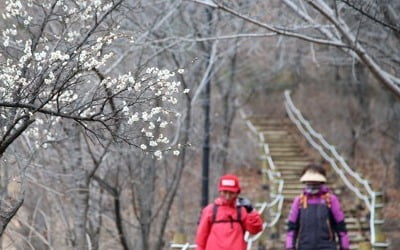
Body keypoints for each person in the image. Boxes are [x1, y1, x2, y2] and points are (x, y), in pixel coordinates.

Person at [285, 163, 350, 250]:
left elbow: (341, 227)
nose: (312, 185)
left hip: (327, 246)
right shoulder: (299, 201)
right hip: (305, 246)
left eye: (315, 183)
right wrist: (290, 247)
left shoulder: (331, 200)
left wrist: (344, 247)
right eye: (309, 183)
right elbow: (292, 228)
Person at [195, 174, 263, 250]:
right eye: (225, 192)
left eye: (231, 193)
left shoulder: (241, 211)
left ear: (237, 193)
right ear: (220, 192)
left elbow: (255, 229)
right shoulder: (210, 210)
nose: (227, 196)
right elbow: (201, 238)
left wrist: (251, 211)